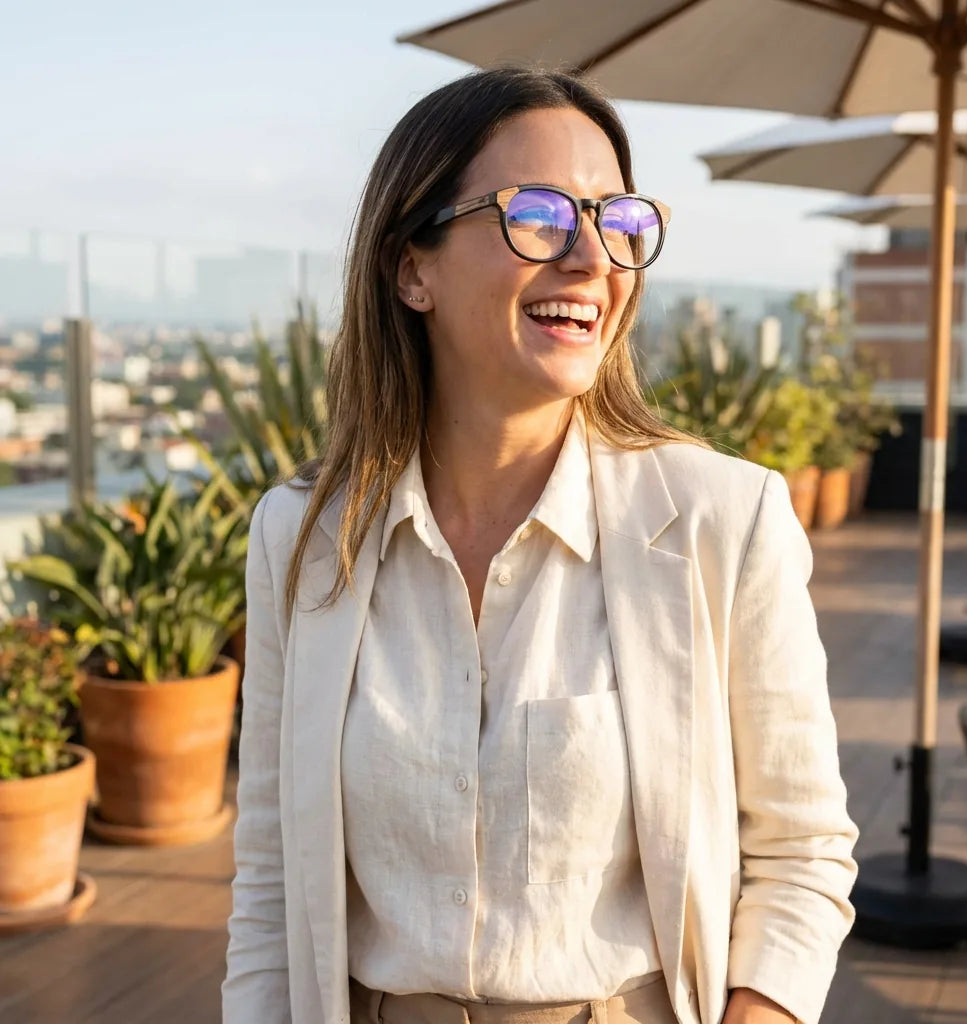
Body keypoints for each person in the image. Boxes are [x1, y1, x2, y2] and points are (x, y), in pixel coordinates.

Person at [222, 65, 858, 1024]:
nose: (592, 259)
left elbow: (802, 855)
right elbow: (270, 878)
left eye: (618, 222)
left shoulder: (724, 518)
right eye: (541, 216)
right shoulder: (305, 536)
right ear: (411, 267)